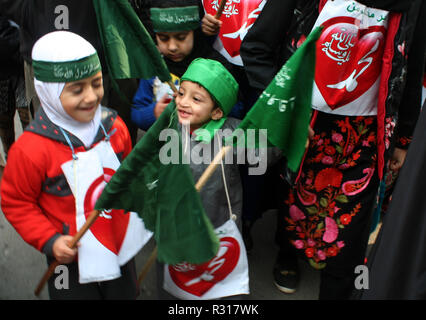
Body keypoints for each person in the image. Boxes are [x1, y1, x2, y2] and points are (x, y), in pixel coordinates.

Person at [241, 0, 424, 299]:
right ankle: (287, 254)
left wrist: (404, 137)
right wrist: (288, 112)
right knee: (294, 214)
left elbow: (413, 64)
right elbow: (257, 48)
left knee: (347, 247)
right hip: (307, 130)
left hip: (364, 139)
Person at [0, 31, 151, 299]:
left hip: (115, 242)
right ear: (49, 91)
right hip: (69, 258)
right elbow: (16, 202)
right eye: (76, 89)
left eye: (96, 83)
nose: (91, 97)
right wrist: (50, 240)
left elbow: (128, 175)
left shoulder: (115, 128)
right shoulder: (30, 150)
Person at [157, 58, 253, 300]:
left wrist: (288, 135)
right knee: (178, 283)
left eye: (196, 99)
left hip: (218, 224)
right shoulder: (169, 125)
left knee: (220, 285)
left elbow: (265, 149)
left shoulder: (232, 134)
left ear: (217, 111)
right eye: (181, 93)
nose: (183, 102)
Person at [0, 0, 140, 145]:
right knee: (52, 144)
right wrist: (30, 14)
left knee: (111, 140)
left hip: (106, 52)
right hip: (46, 61)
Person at [131, 0, 243, 132]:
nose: (172, 47)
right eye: (164, 38)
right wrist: (154, 113)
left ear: (194, 33)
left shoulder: (216, 69)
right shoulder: (154, 67)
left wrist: (210, 110)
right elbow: (137, 111)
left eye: (181, 37)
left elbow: (237, 109)